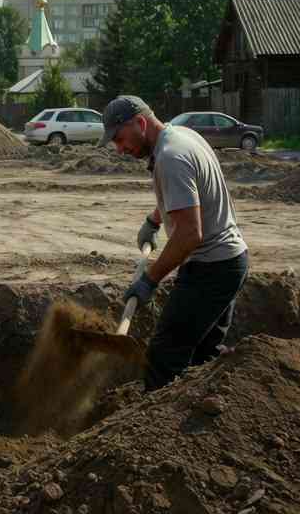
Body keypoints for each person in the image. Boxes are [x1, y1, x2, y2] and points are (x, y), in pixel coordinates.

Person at [100, 95, 250, 391]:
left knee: (164, 356)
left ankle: (157, 421)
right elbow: (187, 194)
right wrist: (154, 220)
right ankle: (206, 411)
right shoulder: (181, 136)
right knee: (203, 356)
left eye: (119, 138)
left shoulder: (170, 157)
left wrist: (149, 279)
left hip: (211, 268)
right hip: (231, 261)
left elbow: (189, 235)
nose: (119, 148)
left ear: (140, 123)